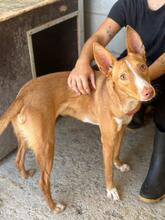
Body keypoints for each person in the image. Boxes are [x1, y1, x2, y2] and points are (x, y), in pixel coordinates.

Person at [68, 0, 165, 203]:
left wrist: (139, 85)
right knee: (125, 108)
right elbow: (101, 36)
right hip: (132, 70)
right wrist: (82, 62)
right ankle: (135, 114)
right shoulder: (130, 3)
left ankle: (160, 164)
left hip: (151, 72)